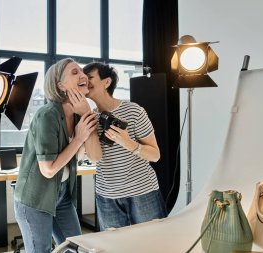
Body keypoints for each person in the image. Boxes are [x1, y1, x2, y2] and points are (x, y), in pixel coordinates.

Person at [14, 58, 101, 253]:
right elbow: (48, 169)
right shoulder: (47, 115)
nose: (82, 75)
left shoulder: (78, 115)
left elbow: (77, 158)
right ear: (60, 86)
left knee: (76, 248)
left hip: (61, 196)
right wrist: (79, 138)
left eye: (82, 71)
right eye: (74, 72)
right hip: (35, 200)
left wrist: (83, 131)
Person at [83, 62, 167, 231]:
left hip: (143, 192)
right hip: (107, 196)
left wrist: (127, 142)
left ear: (107, 82)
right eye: (84, 79)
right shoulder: (88, 118)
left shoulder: (134, 111)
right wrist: (87, 118)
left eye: (90, 77)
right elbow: (94, 158)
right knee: (113, 247)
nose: (86, 82)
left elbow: (155, 155)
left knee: (152, 243)